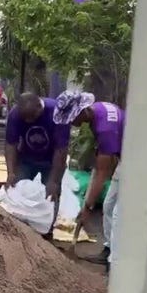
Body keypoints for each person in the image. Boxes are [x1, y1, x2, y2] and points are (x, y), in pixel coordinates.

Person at [53, 91, 124, 272]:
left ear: (80, 111)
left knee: (118, 214)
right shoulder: (99, 110)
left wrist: (87, 207)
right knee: (108, 205)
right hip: (125, 159)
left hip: (139, 162)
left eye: (70, 118)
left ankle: (115, 265)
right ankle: (108, 249)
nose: (70, 122)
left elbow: (102, 171)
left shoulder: (105, 127)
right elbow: (99, 162)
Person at [5, 92, 70, 234]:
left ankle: (46, 231)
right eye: (25, 118)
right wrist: (11, 172)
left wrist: (53, 181)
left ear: (39, 106)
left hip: (52, 160)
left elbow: (61, 150)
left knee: (51, 195)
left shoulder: (57, 113)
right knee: (16, 190)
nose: (28, 121)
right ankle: (19, 230)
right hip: (26, 157)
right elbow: (11, 144)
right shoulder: (15, 114)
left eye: (32, 117)